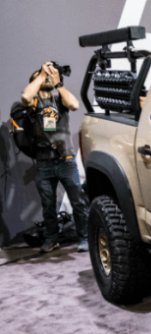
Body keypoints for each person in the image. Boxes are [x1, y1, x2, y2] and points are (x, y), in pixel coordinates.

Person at [21, 63, 88, 254]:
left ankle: (84, 237)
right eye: (43, 75)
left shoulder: (60, 101)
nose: (48, 76)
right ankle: (51, 239)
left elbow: (74, 105)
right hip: (44, 163)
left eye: (49, 74)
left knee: (78, 202)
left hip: (66, 161)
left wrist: (59, 84)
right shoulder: (34, 103)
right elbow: (26, 96)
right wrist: (41, 75)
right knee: (48, 205)